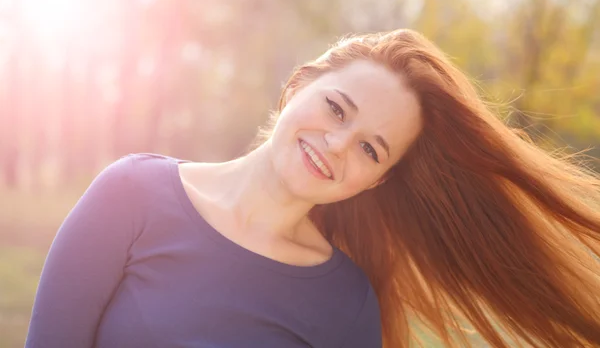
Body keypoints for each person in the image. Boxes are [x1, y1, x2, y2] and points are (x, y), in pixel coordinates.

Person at [25, 29, 600, 348]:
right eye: (335, 108)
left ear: (380, 179)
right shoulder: (130, 194)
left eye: (372, 149)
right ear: (299, 85)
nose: (337, 145)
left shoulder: (345, 306)